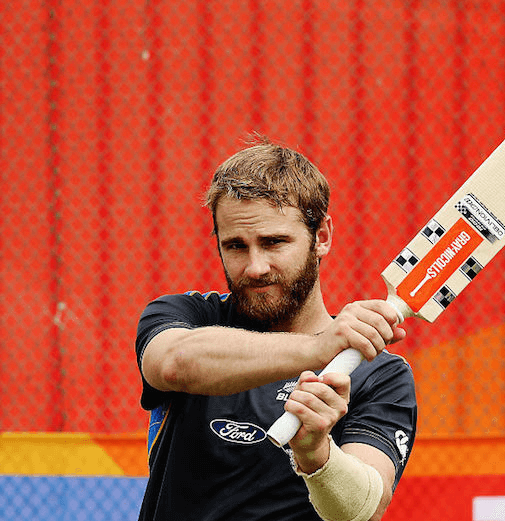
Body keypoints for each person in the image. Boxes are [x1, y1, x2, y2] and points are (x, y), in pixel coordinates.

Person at [134, 137, 418, 521]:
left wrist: (317, 453)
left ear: (322, 237)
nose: (255, 267)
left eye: (273, 242)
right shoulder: (187, 315)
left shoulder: (380, 374)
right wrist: (320, 349)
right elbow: (173, 363)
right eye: (236, 246)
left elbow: (363, 508)